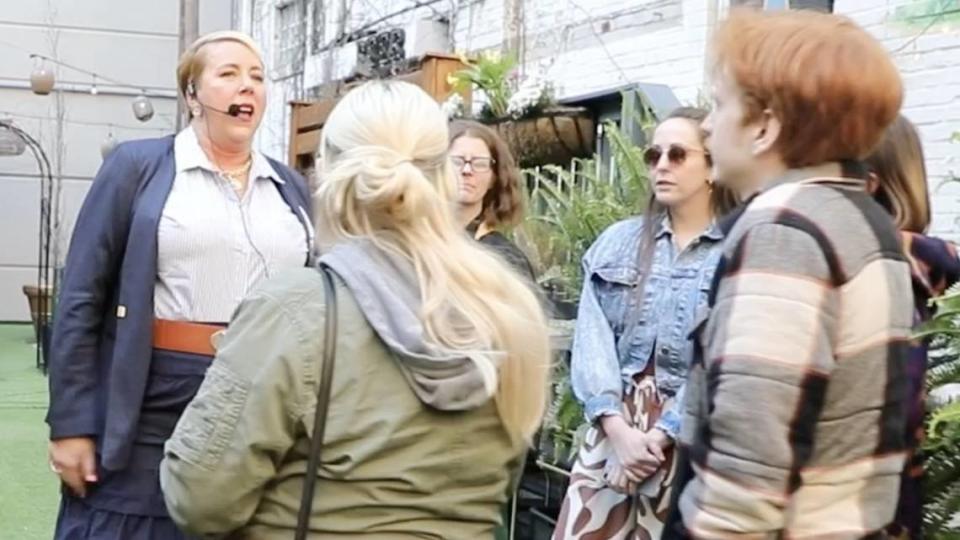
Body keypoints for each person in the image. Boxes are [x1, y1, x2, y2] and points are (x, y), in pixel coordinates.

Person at [159, 80, 551, 539]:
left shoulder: (296, 310)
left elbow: (199, 500)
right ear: (444, 177)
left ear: (324, 173)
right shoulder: (509, 312)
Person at [45, 31, 313, 539]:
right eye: (229, 74)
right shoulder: (137, 167)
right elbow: (81, 297)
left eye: (257, 77)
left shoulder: (290, 188)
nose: (248, 87)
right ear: (192, 95)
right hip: (156, 390)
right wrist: (71, 423)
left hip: (263, 393)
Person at [669, 8, 913, 538]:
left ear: (764, 126)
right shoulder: (861, 220)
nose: (708, 126)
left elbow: (747, 469)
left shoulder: (785, 232)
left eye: (719, 103)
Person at [552, 107, 738, 539]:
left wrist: (662, 434)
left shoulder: (736, 249)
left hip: (691, 431)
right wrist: (616, 429)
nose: (662, 166)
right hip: (614, 423)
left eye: (677, 154)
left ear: (712, 167)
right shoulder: (617, 242)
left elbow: (724, 352)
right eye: (654, 155)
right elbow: (592, 340)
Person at [865, 115, 960, 540]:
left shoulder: (877, 257)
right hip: (898, 476)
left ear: (868, 183)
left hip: (860, 480)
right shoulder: (924, 262)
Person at [449, 120, 536, 282]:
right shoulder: (410, 244)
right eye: (456, 161)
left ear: (494, 178)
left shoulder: (507, 260)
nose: (466, 170)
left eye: (480, 163)